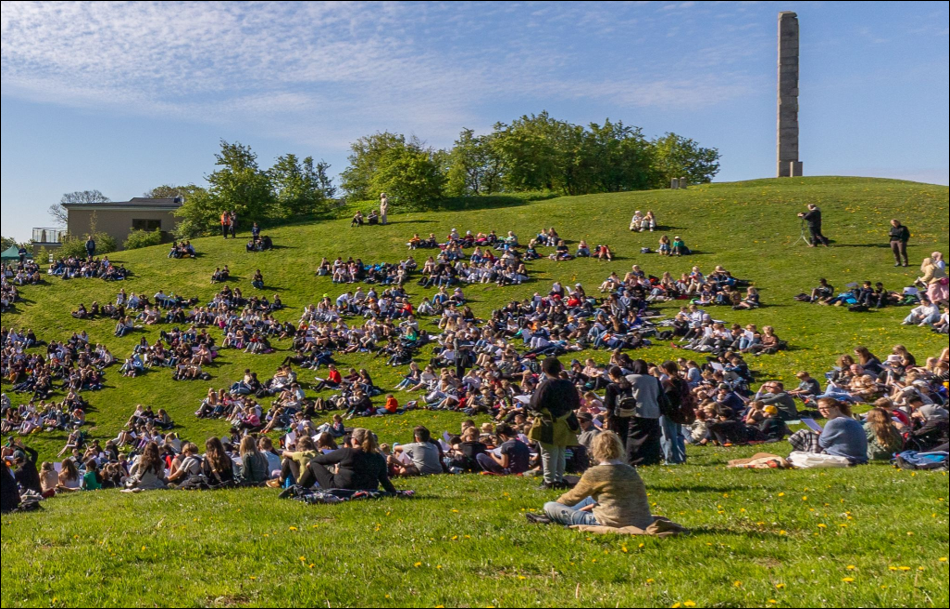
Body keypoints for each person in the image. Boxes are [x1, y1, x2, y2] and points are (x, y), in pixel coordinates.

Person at [530, 432, 654, 530]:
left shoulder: (596, 473)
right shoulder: (630, 470)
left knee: (549, 506)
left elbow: (571, 498)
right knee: (590, 498)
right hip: (641, 520)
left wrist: (556, 507)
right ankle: (550, 517)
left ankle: (549, 516)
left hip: (609, 521)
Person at [528, 357, 580, 490]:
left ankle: (549, 481)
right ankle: (558, 478)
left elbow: (534, 403)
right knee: (561, 451)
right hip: (566, 421)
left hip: (548, 422)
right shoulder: (568, 384)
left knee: (548, 452)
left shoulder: (546, 384)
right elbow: (576, 404)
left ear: (543, 369)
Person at [295, 428, 397, 494]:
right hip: (369, 487)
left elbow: (319, 460)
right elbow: (384, 480)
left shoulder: (347, 452)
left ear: (355, 440)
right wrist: (393, 493)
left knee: (313, 464)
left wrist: (310, 463)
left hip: (341, 488)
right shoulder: (378, 457)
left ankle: (298, 490)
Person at [789, 398, 868, 465]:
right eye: (820, 408)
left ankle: (795, 457)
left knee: (804, 433)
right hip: (859, 457)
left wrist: (821, 435)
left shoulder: (834, 422)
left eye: (825, 408)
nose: (822, 411)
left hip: (845, 458)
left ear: (836, 408)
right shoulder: (850, 420)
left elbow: (823, 443)